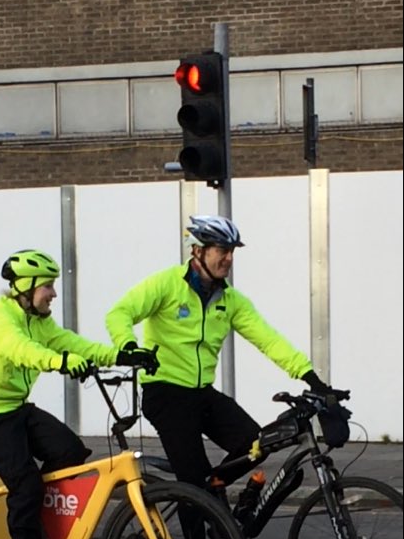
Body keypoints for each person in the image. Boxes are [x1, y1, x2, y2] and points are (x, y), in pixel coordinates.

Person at [105, 215, 348, 502]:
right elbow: (119, 313)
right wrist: (129, 346)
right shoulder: (167, 284)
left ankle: (212, 492)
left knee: (255, 444)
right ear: (198, 250)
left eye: (231, 251)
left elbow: (269, 340)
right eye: (222, 250)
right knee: (192, 483)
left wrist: (312, 379)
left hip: (201, 393)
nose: (228, 258)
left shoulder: (230, 300)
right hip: (165, 392)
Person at [0, 249, 153, 539]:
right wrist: (60, 362)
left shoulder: (40, 321)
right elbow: (21, 350)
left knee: (70, 451)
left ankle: (42, 524)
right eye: (47, 286)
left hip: (15, 408)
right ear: (26, 288)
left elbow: (74, 344)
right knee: (25, 485)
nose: (53, 293)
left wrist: (123, 355)